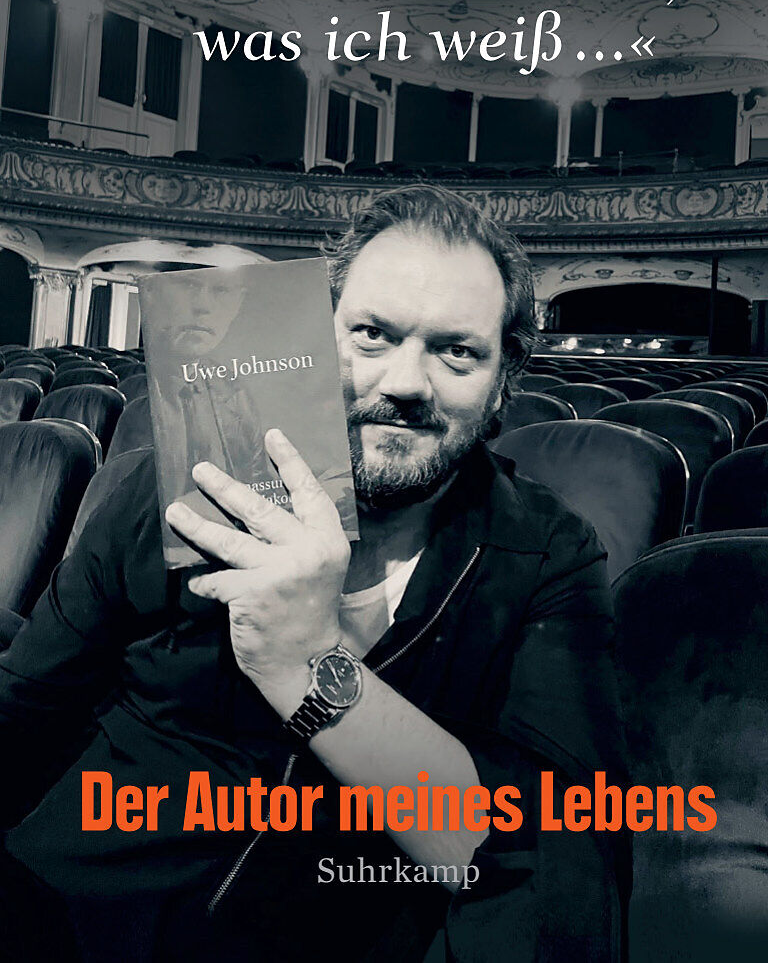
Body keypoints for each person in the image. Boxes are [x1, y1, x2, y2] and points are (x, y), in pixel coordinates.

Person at [0, 186, 628, 963]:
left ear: (504, 380)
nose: (406, 383)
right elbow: (23, 713)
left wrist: (308, 660)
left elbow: (560, 861)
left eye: (457, 351)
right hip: (59, 914)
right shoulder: (172, 486)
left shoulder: (546, 553)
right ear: (313, 338)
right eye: (372, 334)